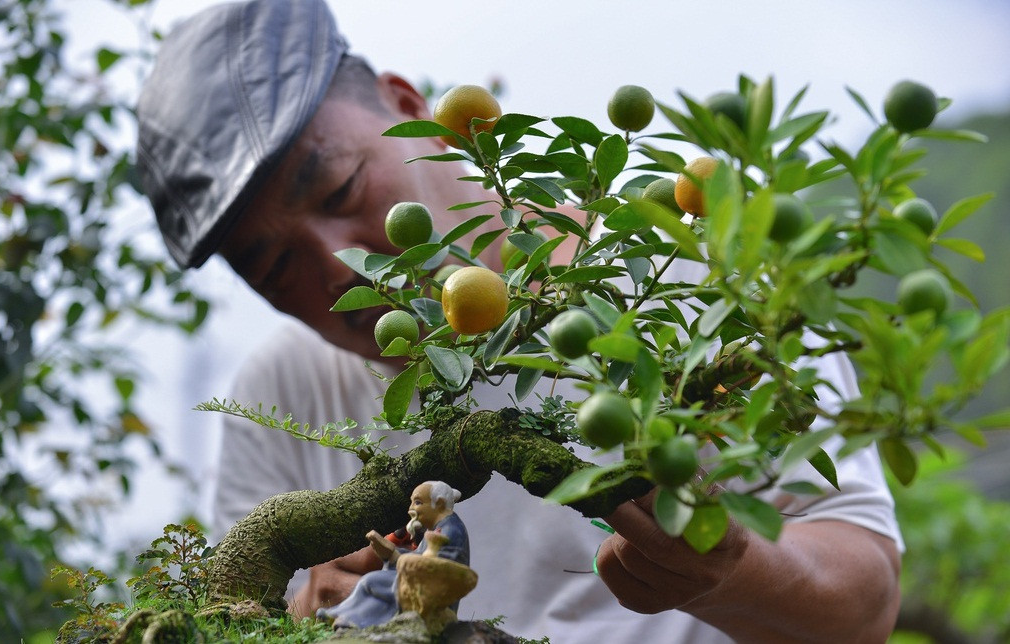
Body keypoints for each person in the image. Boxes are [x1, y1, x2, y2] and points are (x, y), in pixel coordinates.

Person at [135, 0, 902, 641]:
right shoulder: (280, 389)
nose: (337, 264)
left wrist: (730, 570)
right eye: (274, 267)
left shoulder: (683, 272)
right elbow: (242, 609)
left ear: (410, 111)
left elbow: (865, 600)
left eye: (336, 189)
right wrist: (306, 611)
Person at [319, 480, 470, 629]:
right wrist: (392, 554)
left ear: (439, 504)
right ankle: (346, 616)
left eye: (417, 502)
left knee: (371, 581)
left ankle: (354, 619)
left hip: (428, 590)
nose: (411, 509)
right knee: (375, 586)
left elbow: (437, 567)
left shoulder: (450, 531)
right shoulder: (434, 528)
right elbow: (419, 555)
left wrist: (397, 557)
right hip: (416, 580)